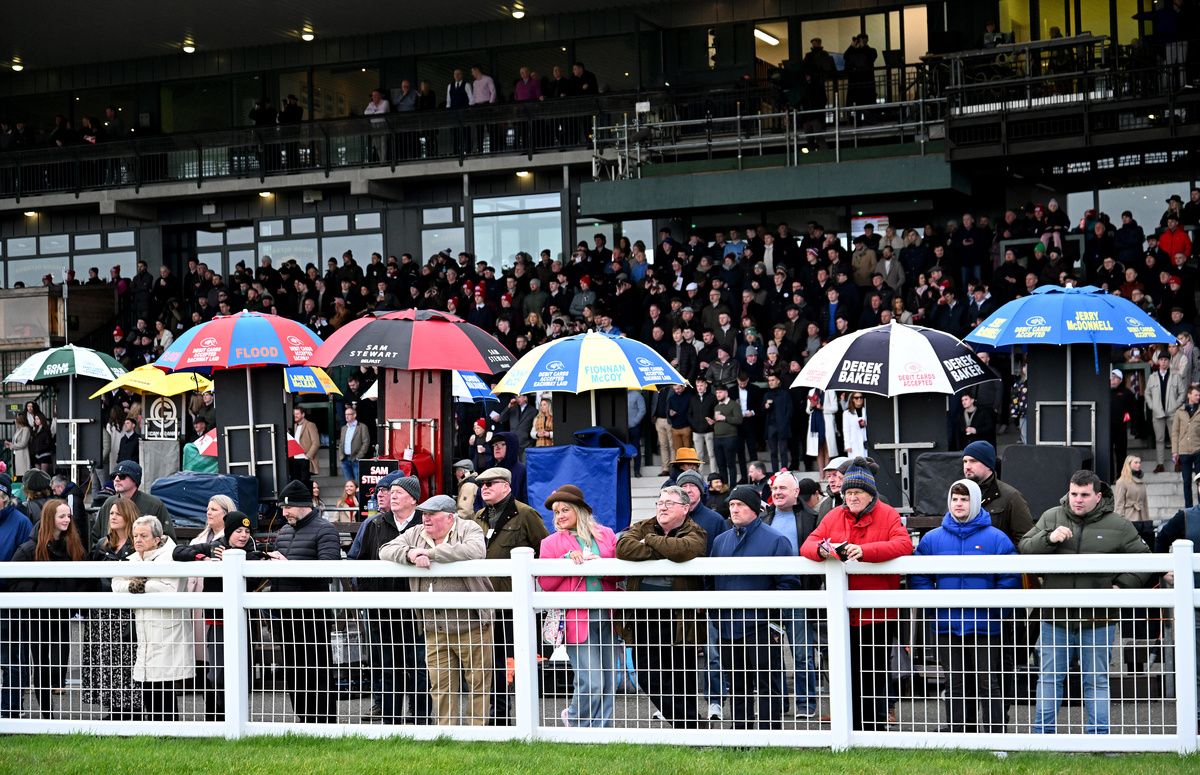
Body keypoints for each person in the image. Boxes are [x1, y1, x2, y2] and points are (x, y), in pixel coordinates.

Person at [1019, 470, 1154, 735]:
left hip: (1099, 618)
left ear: (1098, 496)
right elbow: (1024, 547)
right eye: (1073, 494)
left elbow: (1146, 560)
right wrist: (1049, 538)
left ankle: (1098, 739)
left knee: (1096, 681)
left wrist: (1121, 585)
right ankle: (1042, 740)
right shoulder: (1051, 517)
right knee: (1049, 680)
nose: (1077, 500)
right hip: (1055, 617)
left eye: (1084, 495)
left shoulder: (1119, 524)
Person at [801, 458, 913, 730]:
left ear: (870, 495)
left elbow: (903, 544)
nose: (851, 498)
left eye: (857, 493)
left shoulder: (887, 514)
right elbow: (809, 544)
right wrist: (824, 551)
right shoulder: (833, 515)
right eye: (848, 493)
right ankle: (850, 726)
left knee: (874, 673)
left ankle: (874, 728)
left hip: (877, 612)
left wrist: (865, 552)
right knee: (846, 671)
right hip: (843, 613)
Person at [911, 479, 1020, 733]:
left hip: (986, 626)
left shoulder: (996, 539)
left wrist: (994, 609)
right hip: (947, 625)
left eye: (965, 499)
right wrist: (935, 606)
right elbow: (919, 576)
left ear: (975, 501)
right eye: (955, 499)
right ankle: (960, 735)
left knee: (987, 682)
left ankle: (995, 736)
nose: (959, 504)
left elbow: (1010, 578)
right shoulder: (932, 540)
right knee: (956, 682)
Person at [380, 494, 494, 727]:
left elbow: (475, 550)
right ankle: (446, 733)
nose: (426, 519)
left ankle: (478, 733)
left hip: (470, 624)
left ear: (449, 517)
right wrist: (410, 554)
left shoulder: (469, 527)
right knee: (440, 685)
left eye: (432, 514)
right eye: (424, 514)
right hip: (434, 626)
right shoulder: (416, 533)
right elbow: (386, 549)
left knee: (478, 682)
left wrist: (431, 555)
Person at [615, 484, 707, 728]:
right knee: (648, 677)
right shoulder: (641, 526)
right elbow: (623, 548)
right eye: (660, 502)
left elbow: (686, 549)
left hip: (679, 618)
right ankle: (692, 726)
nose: (662, 507)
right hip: (643, 616)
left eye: (669, 503)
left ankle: (689, 731)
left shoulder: (695, 531)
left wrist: (652, 541)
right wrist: (662, 548)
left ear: (685, 509)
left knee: (682, 679)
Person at [710, 484, 798, 729]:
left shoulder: (776, 540)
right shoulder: (720, 541)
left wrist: (771, 619)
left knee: (768, 682)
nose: (734, 510)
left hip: (760, 626)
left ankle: (770, 734)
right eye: (731, 505)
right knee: (737, 684)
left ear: (754, 509)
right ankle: (741, 733)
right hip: (727, 625)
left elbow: (789, 583)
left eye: (740, 505)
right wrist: (717, 616)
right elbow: (711, 583)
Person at [471, 466, 548, 724]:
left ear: (506, 486)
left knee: (520, 656)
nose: (485, 488)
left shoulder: (525, 514)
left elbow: (544, 549)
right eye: (482, 484)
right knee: (491, 660)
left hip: (516, 602)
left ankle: (526, 716)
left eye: (491, 483)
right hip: (484, 600)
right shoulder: (477, 518)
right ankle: (498, 715)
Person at [538, 485, 619, 727]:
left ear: (579, 510)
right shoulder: (550, 543)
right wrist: (565, 562)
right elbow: (546, 583)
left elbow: (618, 575)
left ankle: (601, 730)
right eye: (556, 512)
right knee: (590, 680)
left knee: (609, 680)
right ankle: (576, 721)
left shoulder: (606, 534)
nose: (559, 515)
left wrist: (600, 564)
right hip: (575, 618)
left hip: (608, 614)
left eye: (564, 509)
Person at [172, 509, 262, 721]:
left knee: (241, 672)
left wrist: (234, 561)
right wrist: (205, 558)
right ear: (229, 531)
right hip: (217, 621)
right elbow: (178, 552)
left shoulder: (252, 551)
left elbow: (257, 573)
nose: (243, 535)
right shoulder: (215, 546)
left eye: (247, 531)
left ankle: (237, 719)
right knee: (218, 673)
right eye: (238, 530)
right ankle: (219, 718)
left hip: (242, 622)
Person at [270, 479, 342, 724]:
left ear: (303, 505)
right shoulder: (284, 532)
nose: (284, 513)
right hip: (285, 614)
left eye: (288, 508)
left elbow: (329, 569)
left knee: (317, 669)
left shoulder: (325, 529)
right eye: (282, 508)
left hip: (313, 615)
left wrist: (288, 567)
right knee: (293, 670)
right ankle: (303, 718)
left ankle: (323, 721)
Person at [9, 499, 87, 718]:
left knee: (58, 663)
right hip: (38, 616)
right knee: (41, 664)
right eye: (61, 516)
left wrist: (73, 601)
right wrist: (38, 595)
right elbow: (15, 581)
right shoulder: (30, 548)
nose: (66, 520)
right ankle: (46, 714)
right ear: (49, 518)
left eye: (68, 516)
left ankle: (52, 712)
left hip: (62, 615)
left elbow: (84, 578)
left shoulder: (73, 545)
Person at [112, 515, 194, 720]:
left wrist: (140, 583)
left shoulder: (171, 556)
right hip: (144, 629)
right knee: (147, 682)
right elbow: (117, 586)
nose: (138, 540)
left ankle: (169, 730)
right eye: (135, 536)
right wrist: (137, 585)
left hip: (167, 629)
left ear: (157, 538)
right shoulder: (132, 558)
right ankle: (155, 728)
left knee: (164, 683)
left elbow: (169, 588)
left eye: (144, 536)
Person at [762, 473, 824, 718]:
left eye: (783, 488)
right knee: (772, 656)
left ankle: (805, 705)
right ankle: (779, 705)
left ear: (796, 492)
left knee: (801, 653)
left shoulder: (812, 518)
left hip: (799, 595)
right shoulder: (763, 518)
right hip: (771, 597)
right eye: (775, 488)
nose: (778, 492)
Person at [80, 498, 141, 719]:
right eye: (111, 513)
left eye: (118, 513)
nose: (112, 517)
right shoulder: (102, 545)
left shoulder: (137, 546)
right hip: (101, 610)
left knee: (126, 658)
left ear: (128, 517)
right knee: (104, 659)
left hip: (126, 611)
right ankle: (112, 706)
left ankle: (130, 707)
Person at [0, 473, 33, 719]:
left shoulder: (21, 523)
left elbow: (27, 562)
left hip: (10, 601)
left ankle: (10, 710)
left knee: (13, 658)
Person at [961, 441, 1035, 545]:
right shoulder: (957, 493)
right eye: (965, 461)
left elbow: (1025, 540)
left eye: (973, 461)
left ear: (988, 464)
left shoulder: (1011, 496)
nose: (967, 466)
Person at [94, 460, 176, 540]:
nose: (116, 479)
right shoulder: (109, 503)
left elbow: (168, 538)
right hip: (110, 552)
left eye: (122, 476)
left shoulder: (154, 504)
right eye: (113, 476)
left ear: (134, 479)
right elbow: (96, 535)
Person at [1146, 351, 1185, 473]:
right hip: (1158, 413)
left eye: (1166, 360)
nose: (1163, 362)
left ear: (1169, 362)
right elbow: (1147, 393)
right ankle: (1160, 464)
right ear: (1158, 362)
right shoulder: (1152, 377)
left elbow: (1183, 393)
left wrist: (1176, 405)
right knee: (1159, 439)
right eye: (1161, 360)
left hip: (1172, 412)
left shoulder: (1175, 376)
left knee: (1175, 438)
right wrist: (1152, 405)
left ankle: (1177, 462)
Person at [1172, 383, 1200, 507]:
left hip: (1198, 450)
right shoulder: (1180, 411)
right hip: (1184, 451)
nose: (1198, 397)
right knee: (1186, 481)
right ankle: (1188, 508)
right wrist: (1174, 451)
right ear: (1189, 395)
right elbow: (1175, 432)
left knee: (1199, 481)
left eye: (1199, 395)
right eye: (1196, 395)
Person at [711, 383, 742, 487]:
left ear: (726, 393)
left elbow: (739, 420)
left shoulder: (734, 404)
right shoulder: (716, 406)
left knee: (730, 464)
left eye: (720, 392)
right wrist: (713, 422)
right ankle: (724, 486)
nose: (718, 395)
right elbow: (718, 420)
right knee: (721, 464)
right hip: (717, 438)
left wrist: (725, 418)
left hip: (730, 437)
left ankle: (732, 486)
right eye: (716, 393)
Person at [1113, 454, 1150, 535]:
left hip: (1142, 519)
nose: (1139, 465)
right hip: (1129, 518)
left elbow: (1145, 502)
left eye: (1139, 462)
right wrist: (1119, 522)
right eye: (1136, 462)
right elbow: (1119, 503)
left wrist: (1147, 519)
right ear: (1128, 464)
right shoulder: (1122, 482)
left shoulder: (1141, 481)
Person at [339, 405, 371, 483]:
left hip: (356, 459)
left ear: (354, 415)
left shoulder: (362, 427)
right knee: (349, 483)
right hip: (345, 459)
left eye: (349, 414)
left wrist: (359, 456)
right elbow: (341, 443)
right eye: (345, 414)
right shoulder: (344, 428)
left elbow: (366, 442)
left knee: (358, 483)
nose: (346, 416)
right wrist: (341, 456)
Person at [294, 407, 321, 480]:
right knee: (297, 483)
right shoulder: (294, 426)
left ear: (303, 415)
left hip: (305, 459)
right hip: (295, 459)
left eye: (297, 414)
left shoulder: (310, 425)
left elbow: (316, 442)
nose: (295, 415)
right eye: (294, 414)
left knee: (305, 483)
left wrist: (308, 456)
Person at [841, 392, 868, 458]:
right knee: (855, 464)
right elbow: (846, 430)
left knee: (866, 463)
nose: (859, 399)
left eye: (861, 397)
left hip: (865, 442)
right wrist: (847, 445)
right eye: (856, 398)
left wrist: (865, 424)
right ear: (852, 399)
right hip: (853, 444)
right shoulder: (847, 413)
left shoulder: (866, 410)